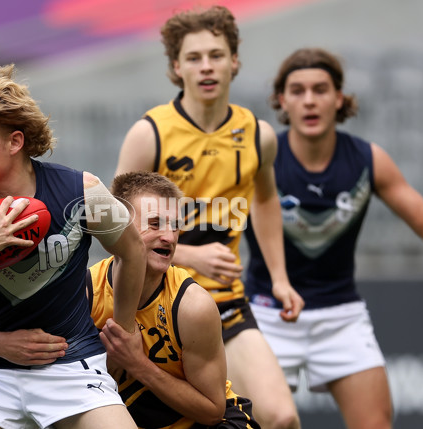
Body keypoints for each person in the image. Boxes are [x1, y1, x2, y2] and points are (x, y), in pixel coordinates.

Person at [0, 63, 146, 429]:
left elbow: (133, 251)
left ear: (14, 142)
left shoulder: (84, 192)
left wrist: (124, 332)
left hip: (73, 366)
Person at [244, 47, 423, 429]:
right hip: (267, 313)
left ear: (339, 98)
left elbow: (420, 213)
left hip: (341, 316)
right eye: (297, 90)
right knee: (267, 422)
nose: (309, 100)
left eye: (321, 89)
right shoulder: (261, 159)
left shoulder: (367, 159)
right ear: (281, 100)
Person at [0, 171, 261, 429]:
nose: (169, 237)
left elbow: (211, 410)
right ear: (120, 222)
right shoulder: (83, 289)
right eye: (154, 224)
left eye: (175, 226)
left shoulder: (191, 305)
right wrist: (0, 346)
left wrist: (138, 364)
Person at [114, 6, 303, 429]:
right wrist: (190, 258)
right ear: (176, 67)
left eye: (216, 55)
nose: (207, 67)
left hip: (225, 302)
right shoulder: (150, 134)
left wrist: (279, 278)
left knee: (282, 418)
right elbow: (115, 231)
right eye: (194, 58)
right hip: (152, 305)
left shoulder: (259, 135)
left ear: (234, 61)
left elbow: (266, 202)